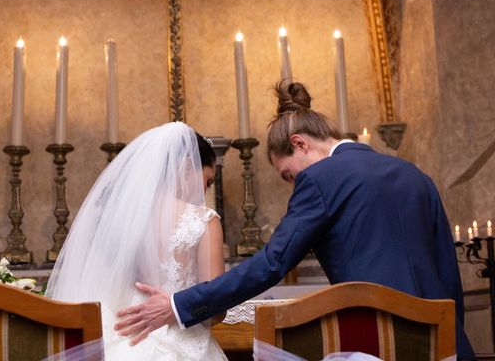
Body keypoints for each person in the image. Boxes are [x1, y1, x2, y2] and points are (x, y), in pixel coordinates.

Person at [115, 82, 476, 361]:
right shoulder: (416, 175)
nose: (293, 184)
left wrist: (179, 304)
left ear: (300, 144)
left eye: (288, 175)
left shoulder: (320, 178)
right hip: (443, 343)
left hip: (377, 341)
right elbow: (448, 272)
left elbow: (272, 264)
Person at [46, 122, 228, 360]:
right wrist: (178, 308)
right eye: (208, 180)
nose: (205, 191)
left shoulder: (120, 221)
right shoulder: (204, 221)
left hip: (122, 339)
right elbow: (214, 310)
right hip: (182, 345)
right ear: (186, 167)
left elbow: (97, 287)